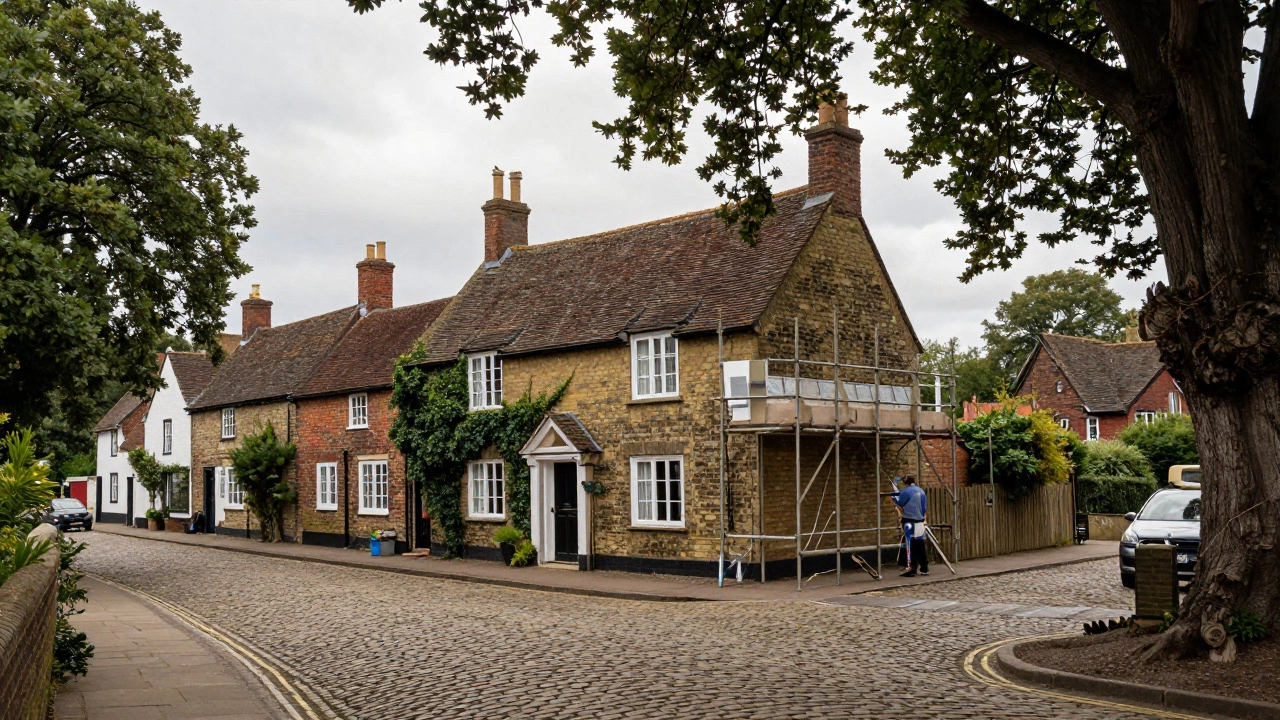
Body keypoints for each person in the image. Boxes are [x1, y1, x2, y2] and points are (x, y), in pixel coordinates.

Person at [892, 475, 928, 577]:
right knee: (920, 544)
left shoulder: (906, 491)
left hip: (909, 521)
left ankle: (912, 568)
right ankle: (924, 568)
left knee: (910, 544)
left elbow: (898, 500)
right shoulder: (921, 491)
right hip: (920, 521)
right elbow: (924, 507)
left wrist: (894, 486)